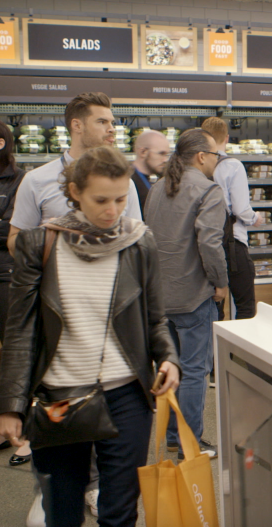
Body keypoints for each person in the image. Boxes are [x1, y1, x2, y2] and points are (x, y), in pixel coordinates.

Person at [0, 146, 180, 527]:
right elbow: (20, 331)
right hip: (59, 398)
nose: (112, 210)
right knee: (62, 510)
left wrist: (168, 358)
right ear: (75, 191)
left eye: (120, 198)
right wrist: (11, 405)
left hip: (126, 395)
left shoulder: (138, 242)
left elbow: (155, 318)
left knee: (120, 511)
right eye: (101, 199)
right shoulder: (40, 244)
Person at [144, 129, 227, 459]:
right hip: (194, 295)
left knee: (168, 367)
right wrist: (220, 281)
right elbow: (209, 243)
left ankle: (173, 435)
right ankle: (190, 442)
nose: (218, 161)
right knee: (194, 370)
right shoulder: (209, 190)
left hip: (159, 297)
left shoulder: (156, 188)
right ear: (202, 157)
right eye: (216, 155)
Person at [8, 92, 142, 255]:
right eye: (102, 122)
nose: (111, 129)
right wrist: (48, 235)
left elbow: (136, 244)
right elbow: (14, 244)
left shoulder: (125, 183)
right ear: (77, 125)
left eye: (112, 123)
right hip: (57, 278)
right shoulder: (36, 180)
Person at [201, 117, 263, 320]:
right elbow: (241, 208)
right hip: (233, 244)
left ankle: (216, 350)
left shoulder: (199, 164)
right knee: (245, 307)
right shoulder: (233, 166)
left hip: (208, 244)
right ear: (226, 137)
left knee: (215, 306)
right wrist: (256, 218)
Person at [0, 124, 25, 456]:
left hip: (7, 275)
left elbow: (13, 229)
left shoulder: (20, 180)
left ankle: (12, 422)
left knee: (12, 351)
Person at [130, 130, 170, 213]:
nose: (165, 160)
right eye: (161, 153)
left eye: (166, 155)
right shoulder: (129, 182)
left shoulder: (145, 180)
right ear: (143, 152)